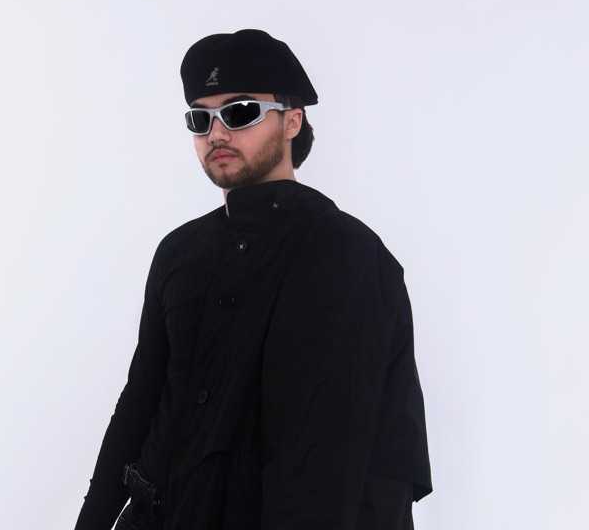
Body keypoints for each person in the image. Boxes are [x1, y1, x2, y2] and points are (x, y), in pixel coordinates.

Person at [74, 28, 433, 530]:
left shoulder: (349, 255)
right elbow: (140, 403)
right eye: (200, 118)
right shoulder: (179, 253)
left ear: (292, 120)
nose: (217, 134)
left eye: (239, 112)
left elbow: (359, 460)